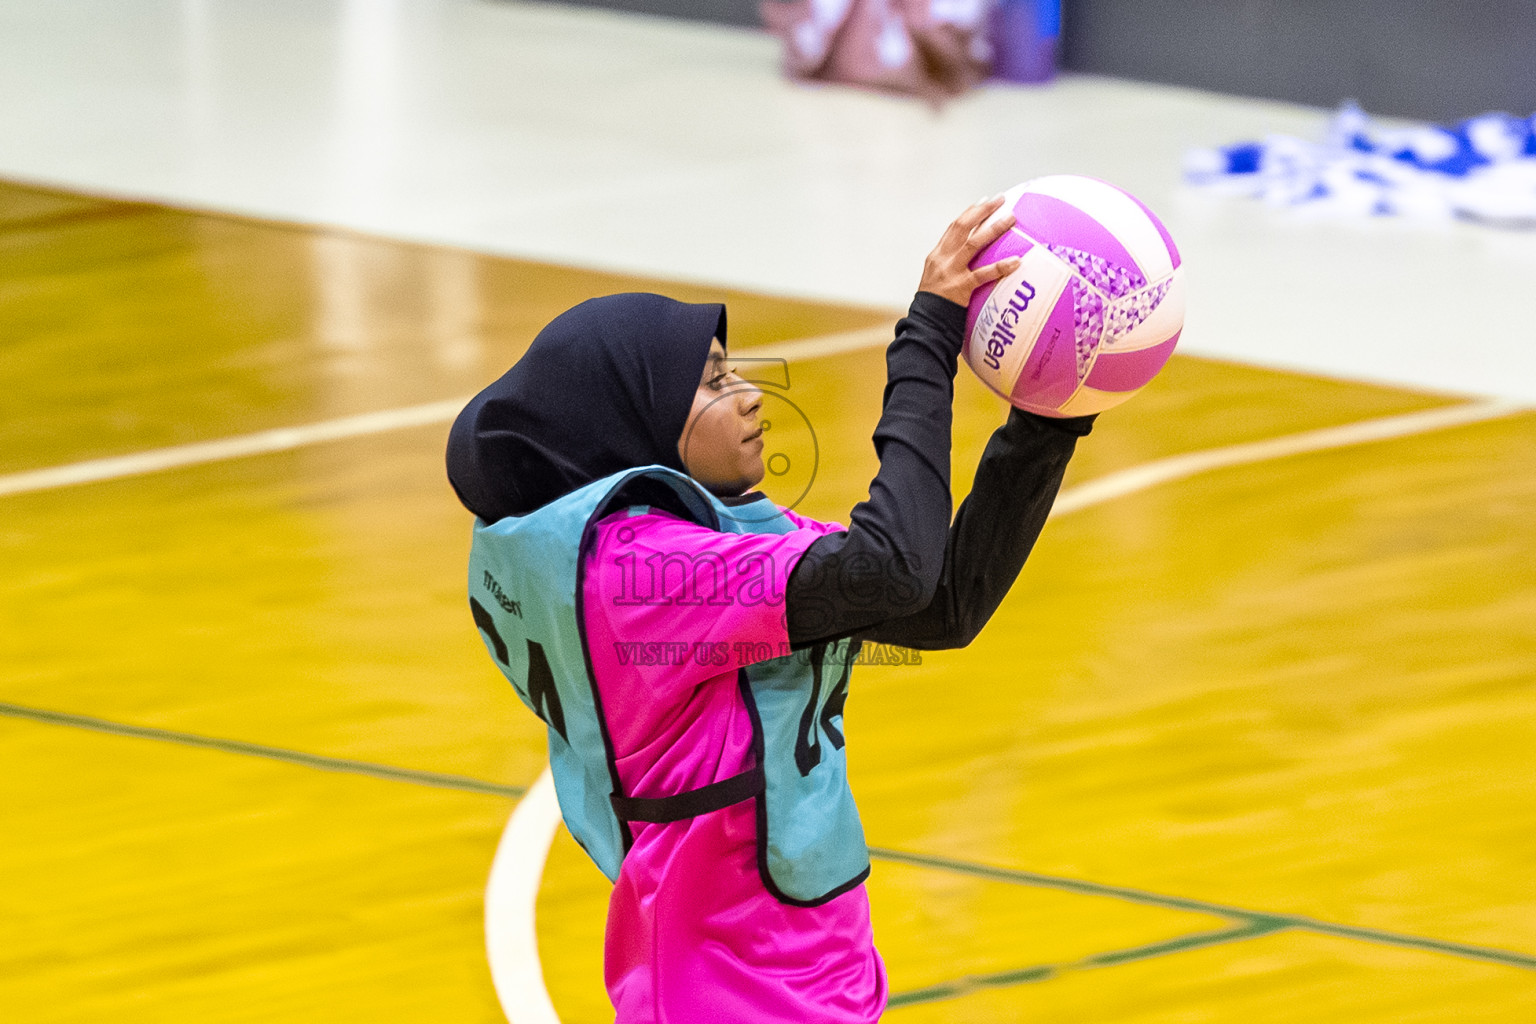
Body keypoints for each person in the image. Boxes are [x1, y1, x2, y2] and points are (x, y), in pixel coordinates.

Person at [445, 196, 1094, 1022]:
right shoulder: (644, 580)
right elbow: (891, 570)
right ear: (636, 423)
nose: (751, 397)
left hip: (812, 971)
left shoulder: (704, 546)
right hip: (727, 991)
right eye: (715, 382)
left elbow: (938, 606)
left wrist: (1045, 423)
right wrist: (926, 339)